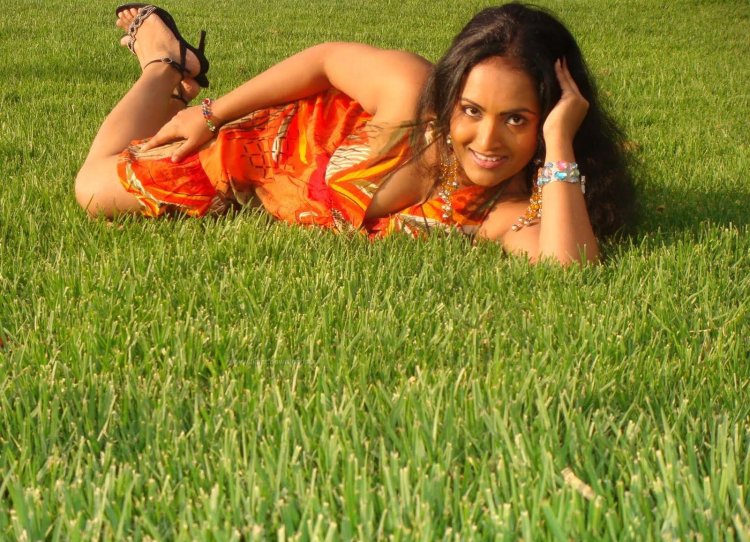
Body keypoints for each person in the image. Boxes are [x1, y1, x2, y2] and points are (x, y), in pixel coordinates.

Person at [75, 3, 635, 265]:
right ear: (449, 96)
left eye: (517, 119)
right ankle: (165, 63)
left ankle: (173, 69)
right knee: (94, 190)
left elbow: (568, 267)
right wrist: (210, 114)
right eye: (471, 109)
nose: (487, 140)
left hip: (276, 197)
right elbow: (324, 60)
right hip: (270, 146)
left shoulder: (500, 209)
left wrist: (560, 143)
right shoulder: (412, 93)